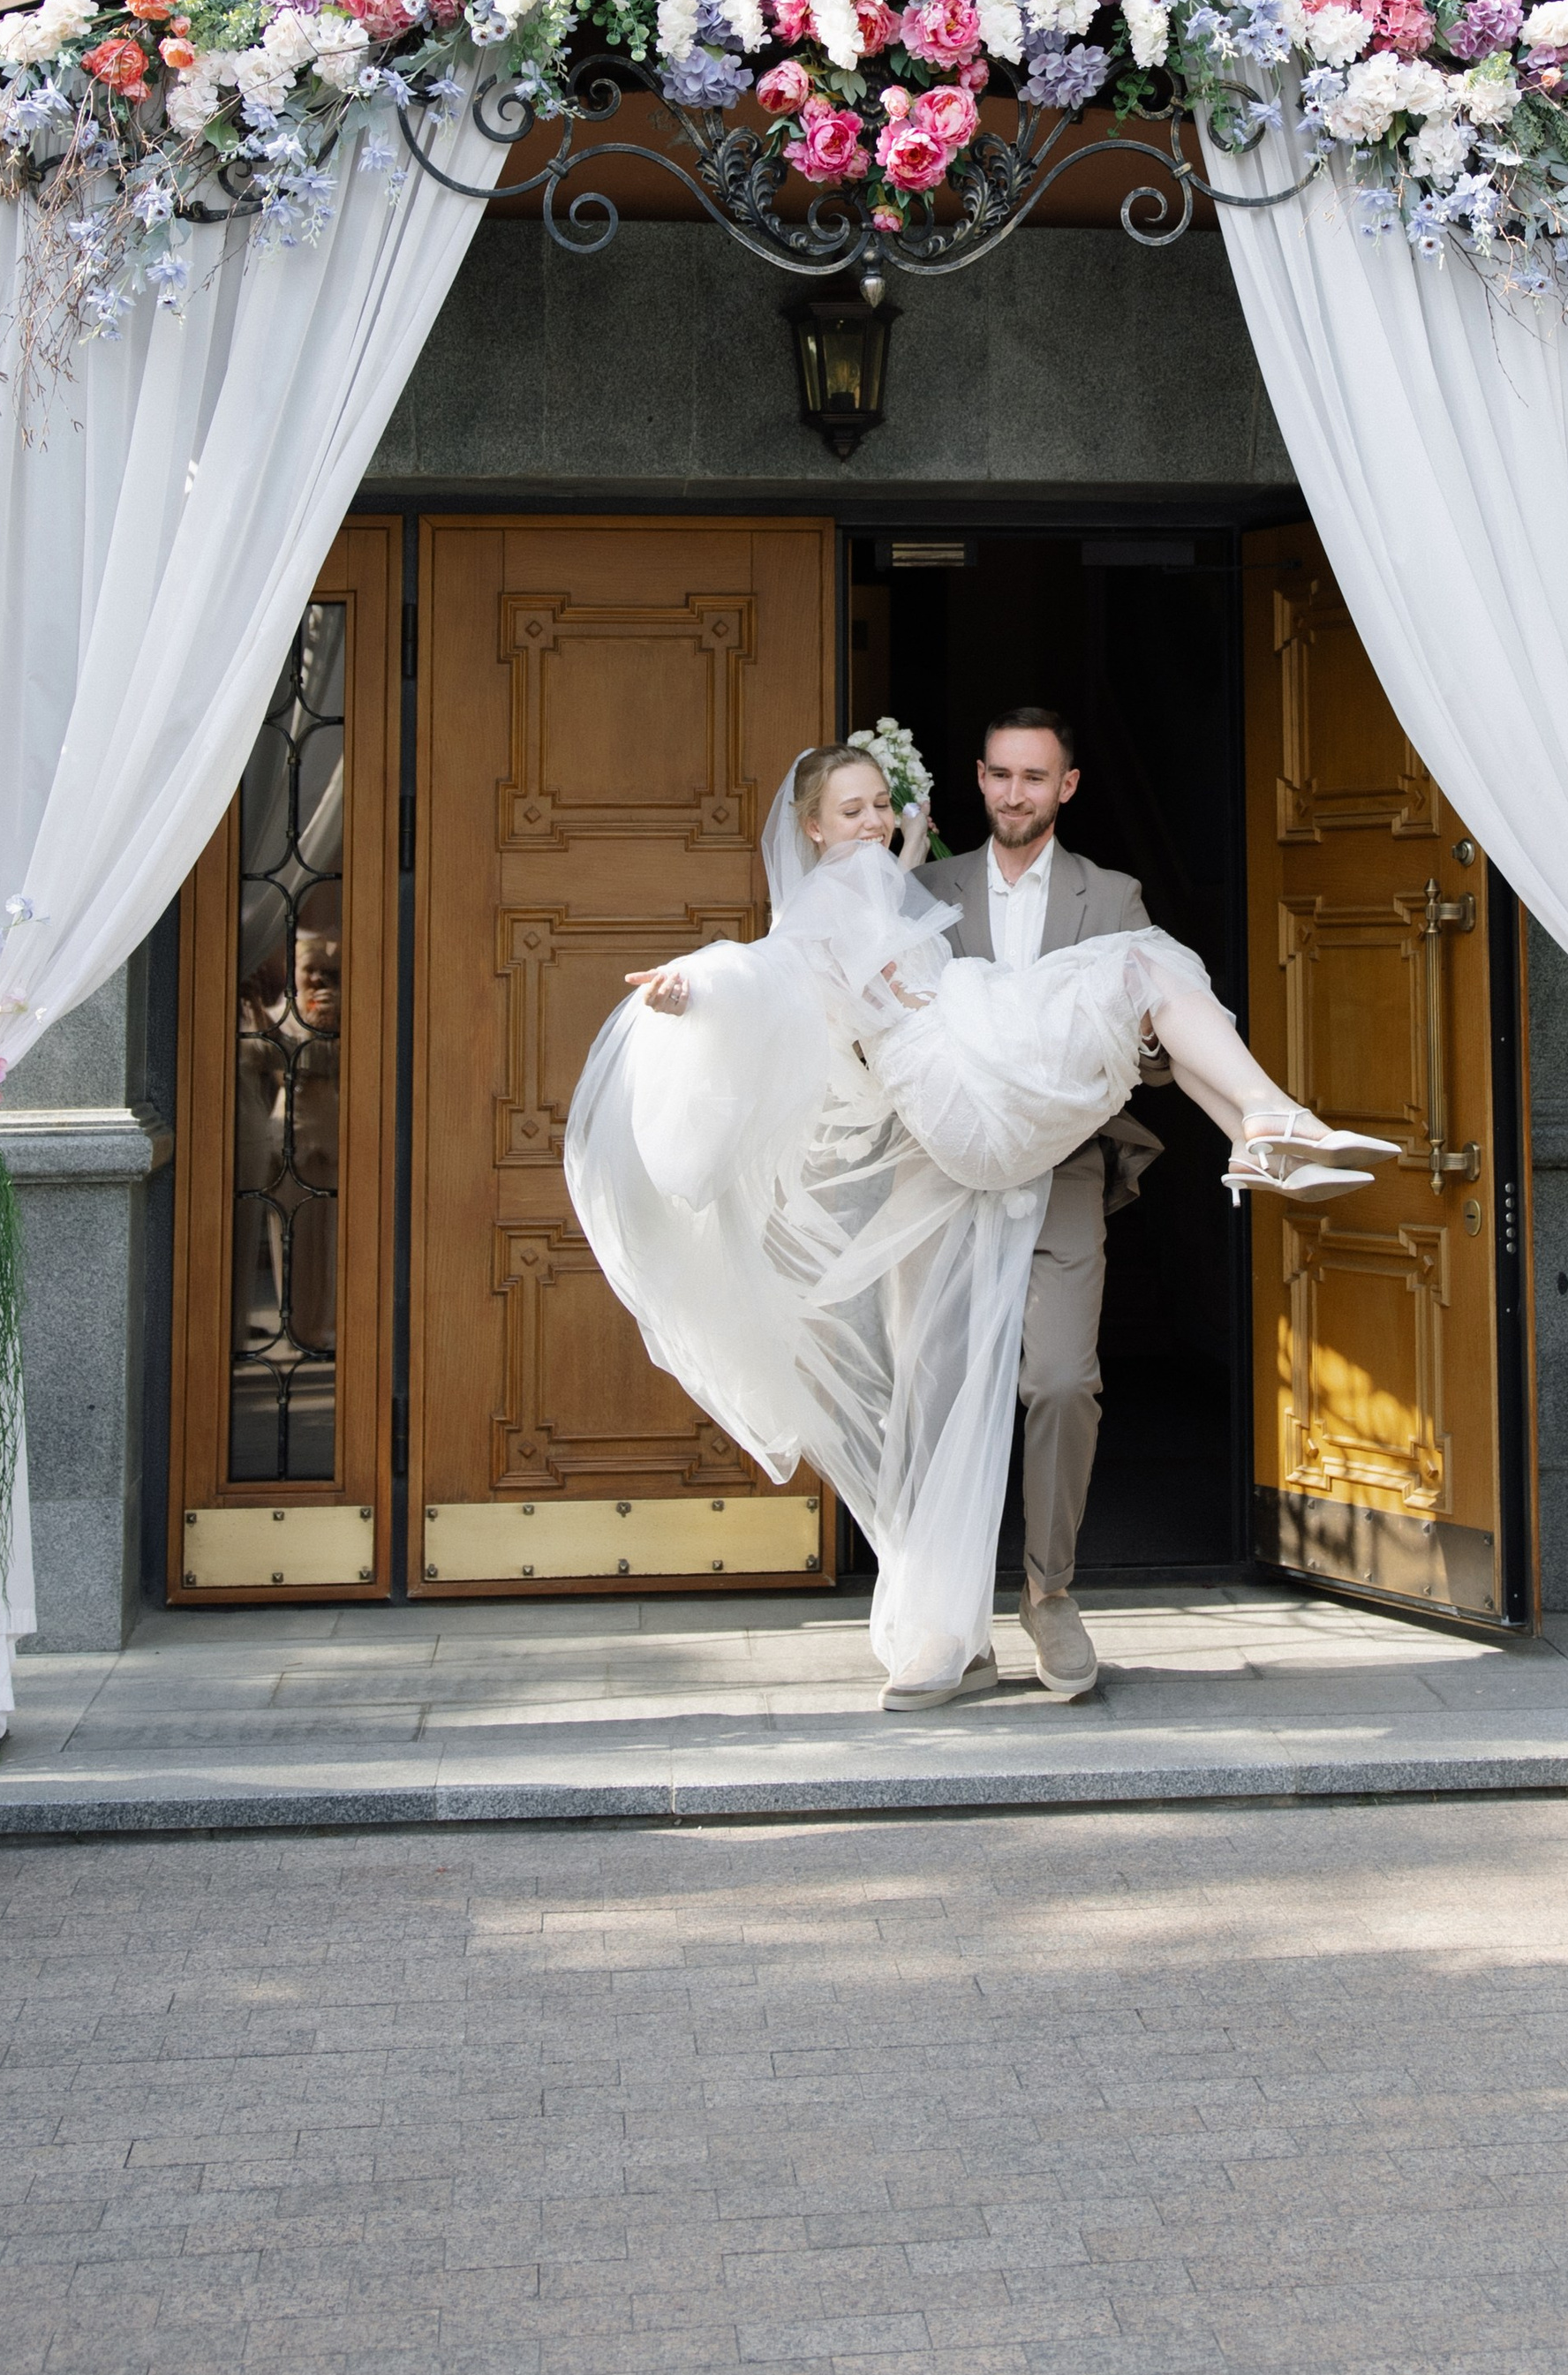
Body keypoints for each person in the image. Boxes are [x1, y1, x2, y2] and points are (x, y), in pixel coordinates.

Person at [564, 745, 1392, 1713]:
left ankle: (1260, 1130)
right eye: (852, 808)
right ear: (811, 827)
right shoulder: (823, 906)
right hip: (960, 1076)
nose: (874, 820)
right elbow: (764, 968)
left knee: (1150, 965)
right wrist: (692, 989)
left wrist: (901, 841)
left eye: (882, 803)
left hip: (968, 1057)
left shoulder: (876, 874)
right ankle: (1264, 1122)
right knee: (1146, 962)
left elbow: (871, 900)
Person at [912, 706, 1164, 1702]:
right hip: (945, 1169)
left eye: (1035, 777)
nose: (1015, 793)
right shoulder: (923, 890)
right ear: (977, 779)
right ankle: (949, 1612)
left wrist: (1139, 1043)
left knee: (1060, 1378)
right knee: (939, 1394)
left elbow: (1151, 1044)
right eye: (1000, 775)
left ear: (1067, 786)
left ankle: (1048, 1592)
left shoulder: (1112, 896)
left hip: (1062, 1167)